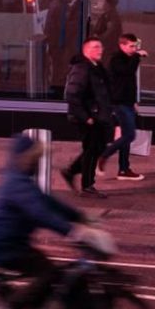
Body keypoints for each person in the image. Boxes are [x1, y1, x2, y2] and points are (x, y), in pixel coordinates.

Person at [0, 135, 113, 309]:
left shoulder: (20, 180)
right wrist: (72, 231)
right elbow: (41, 214)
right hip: (4, 245)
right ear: (25, 159)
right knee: (49, 273)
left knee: (47, 270)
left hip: (10, 241)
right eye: (34, 159)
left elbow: (50, 203)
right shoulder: (18, 185)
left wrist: (80, 216)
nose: (37, 164)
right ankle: (8, 308)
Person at [61, 37, 113, 198]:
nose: (100, 50)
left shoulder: (97, 67)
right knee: (91, 150)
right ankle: (87, 186)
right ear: (86, 50)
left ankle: (71, 171)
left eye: (101, 47)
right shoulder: (82, 68)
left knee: (98, 148)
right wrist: (86, 117)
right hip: (89, 117)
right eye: (96, 47)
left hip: (99, 116)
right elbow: (71, 95)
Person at [98, 33, 148, 181]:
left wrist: (133, 102)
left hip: (127, 102)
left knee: (126, 137)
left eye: (135, 46)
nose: (134, 49)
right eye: (131, 46)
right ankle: (104, 156)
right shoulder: (116, 59)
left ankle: (124, 169)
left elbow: (129, 84)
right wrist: (137, 56)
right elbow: (128, 71)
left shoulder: (127, 59)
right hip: (119, 103)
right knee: (129, 135)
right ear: (122, 45)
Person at [43, 0, 82, 92]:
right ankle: (56, 87)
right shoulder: (60, 8)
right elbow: (62, 27)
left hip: (54, 41)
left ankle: (55, 85)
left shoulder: (56, 4)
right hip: (57, 42)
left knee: (57, 65)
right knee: (58, 66)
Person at [92, 0, 122, 64]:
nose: (103, 4)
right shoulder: (105, 15)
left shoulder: (113, 16)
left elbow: (110, 31)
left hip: (109, 49)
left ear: (108, 4)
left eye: (105, 2)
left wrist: (99, 39)